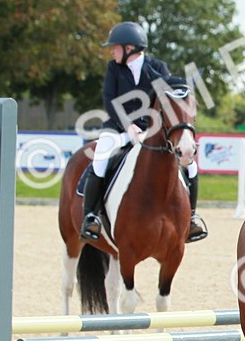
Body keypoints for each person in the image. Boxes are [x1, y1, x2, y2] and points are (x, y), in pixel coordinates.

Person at [80, 21, 207, 243]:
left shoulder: (158, 67)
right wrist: (128, 125)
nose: (112, 51)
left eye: (115, 47)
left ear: (129, 48)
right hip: (118, 127)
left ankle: (192, 218)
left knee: (191, 166)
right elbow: (109, 101)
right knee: (100, 157)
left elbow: (170, 99)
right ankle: (91, 216)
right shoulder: (114, 68)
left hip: (151, 130)